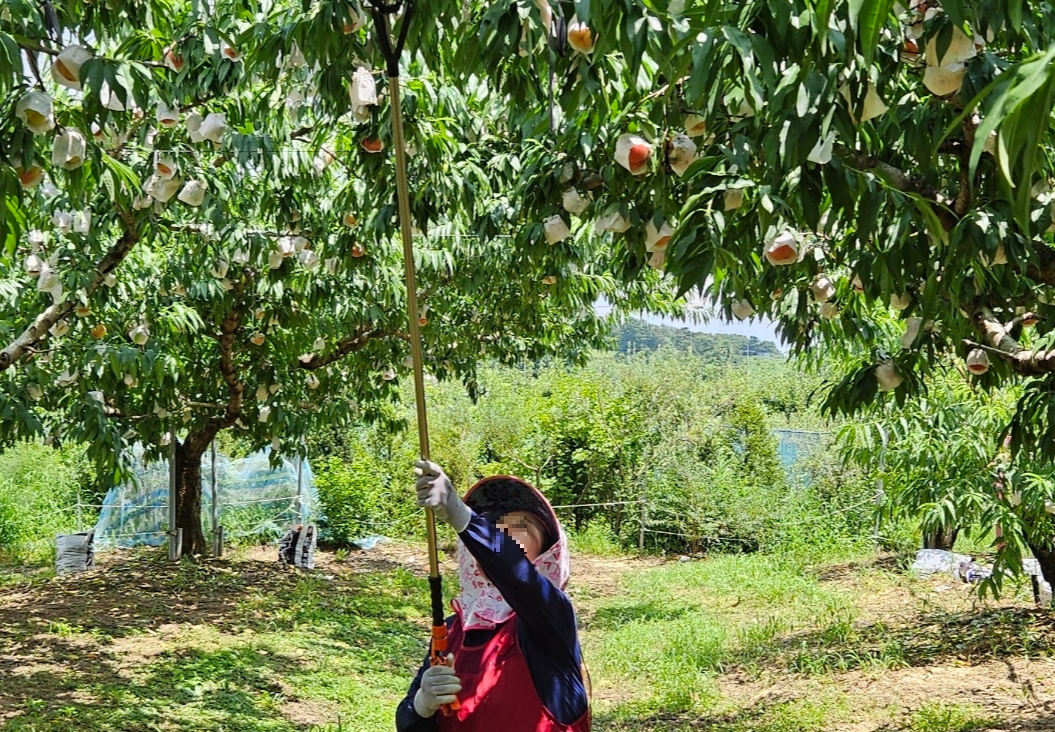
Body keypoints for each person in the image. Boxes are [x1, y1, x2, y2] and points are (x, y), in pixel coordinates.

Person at [395, 460, 591, 732]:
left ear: (548, 552)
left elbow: (519, 575)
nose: (504, 533)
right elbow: (410, 726)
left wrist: (461, 515)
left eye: (522, 525)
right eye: (494, 526)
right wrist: (421, 705)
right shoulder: (452, 630)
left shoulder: (550, 617)